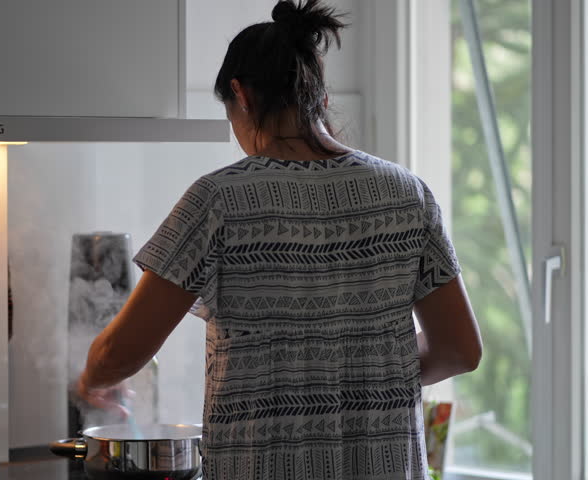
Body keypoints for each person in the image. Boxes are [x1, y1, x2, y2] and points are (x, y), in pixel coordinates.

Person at [77, 1, 483, 478]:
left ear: (240, 95)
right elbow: (460, 349)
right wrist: (365, 376)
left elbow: (117, 355)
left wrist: (90, 380)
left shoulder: (219, 200)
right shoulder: (407, 194)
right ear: (319, 97)